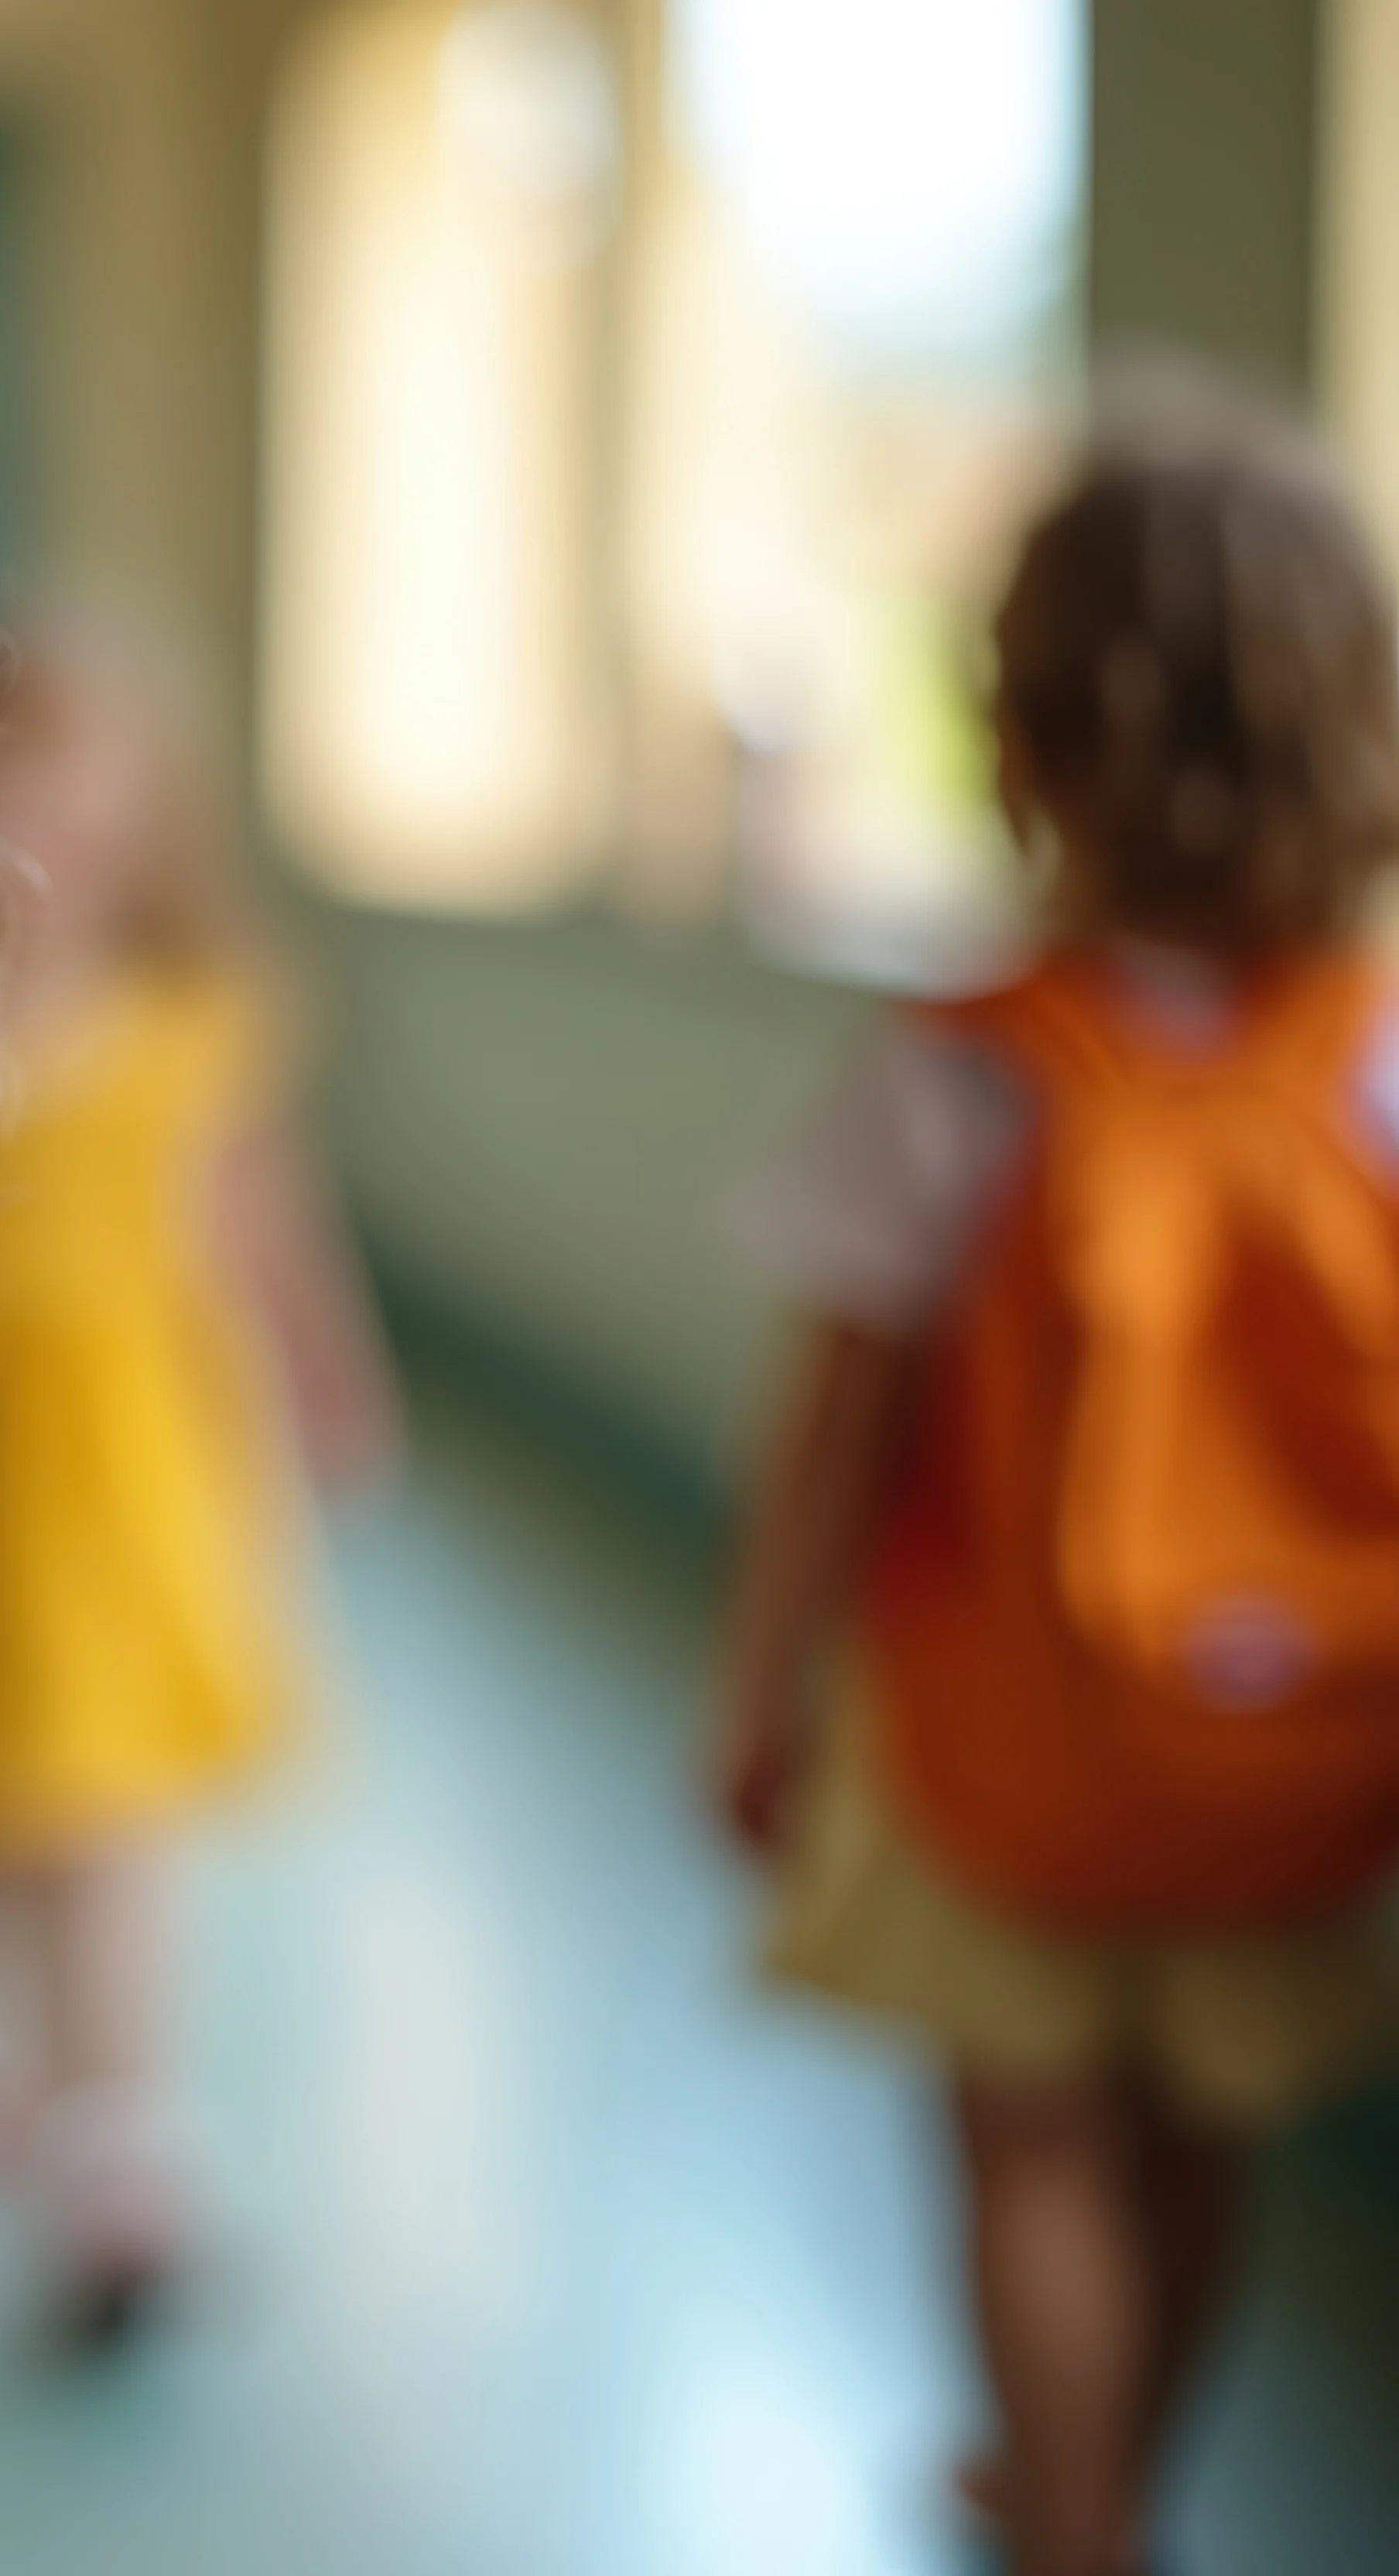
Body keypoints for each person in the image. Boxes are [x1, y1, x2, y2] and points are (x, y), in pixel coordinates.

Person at [716, 420, 1399, 2576]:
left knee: (1029, 2147)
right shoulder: (1377, 1063)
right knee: (1198, 2140)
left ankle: (1071, 2515)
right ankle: (1140, 2476)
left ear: (1020, 739)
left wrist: (756, 1696)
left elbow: (834, 1441)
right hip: (1291, 1751)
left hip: (997, 1743)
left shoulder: (958, 1077)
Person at [0, 623, 395, 2339]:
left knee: (100, 1798)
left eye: (72, 780)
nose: (32, 815)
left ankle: (121, 2129)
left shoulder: (189, 1025)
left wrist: (324, 1377)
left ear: (145, 813)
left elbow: (259, 1227)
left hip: (124, 1467)